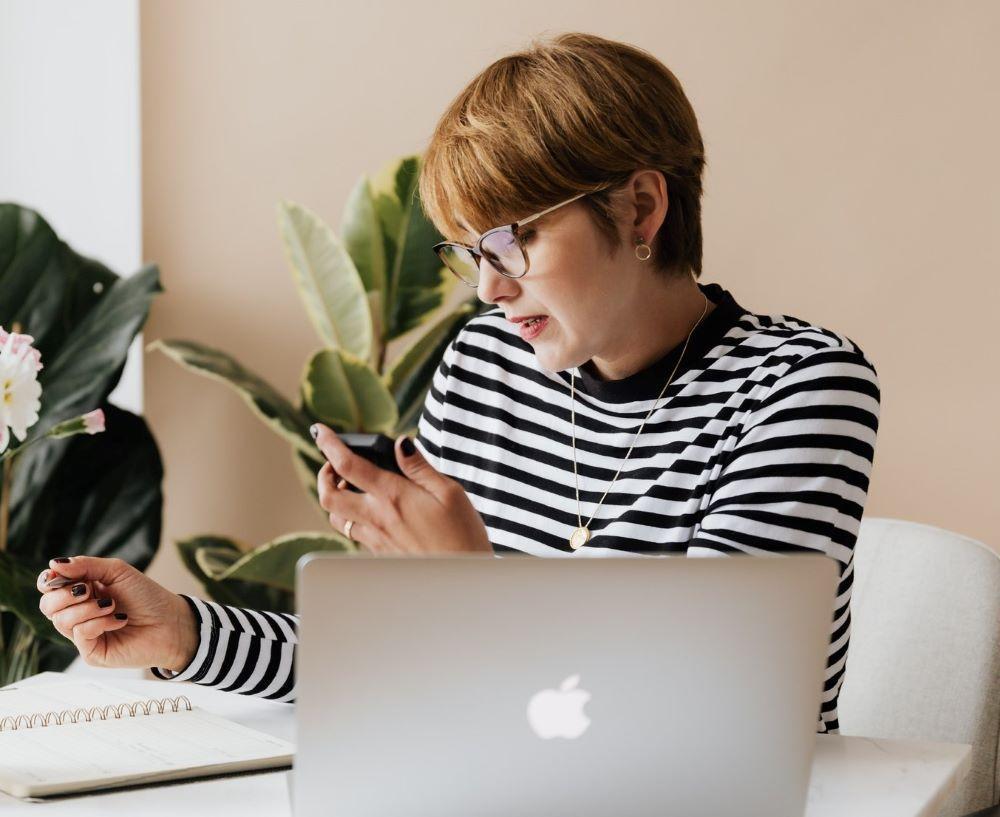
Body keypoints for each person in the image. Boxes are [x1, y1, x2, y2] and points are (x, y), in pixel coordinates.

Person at [36, 32, 879, 734]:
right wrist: (184, 632)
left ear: (640, 209)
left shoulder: (798, 387)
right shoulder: (485, 366)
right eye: (471, 252)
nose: (489, 287)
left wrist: (472, 587)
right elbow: (396, 658)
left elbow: (726, 715)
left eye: (514, 242)